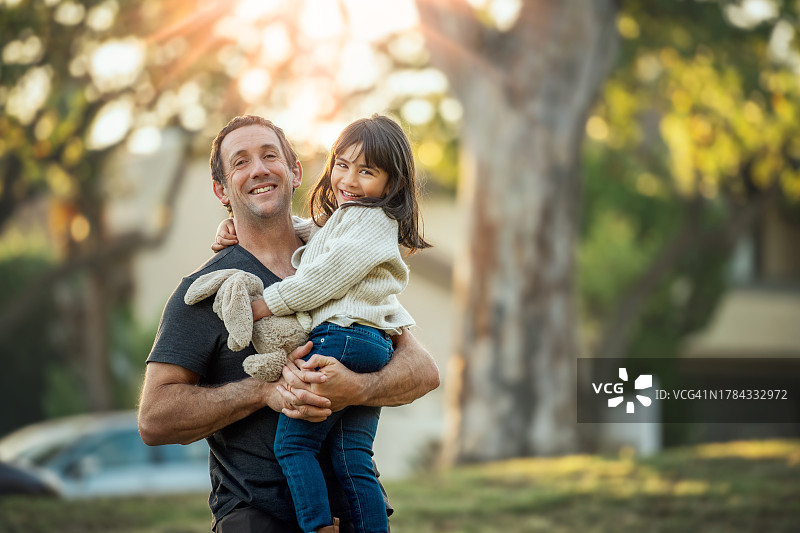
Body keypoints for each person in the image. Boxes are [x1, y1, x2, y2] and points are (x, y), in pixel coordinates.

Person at [137, 115, 440, 533]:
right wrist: (264, 391)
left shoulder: (338, 260)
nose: (259, 169)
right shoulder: (208, 291)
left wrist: (356, 388)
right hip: (257, 517)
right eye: (240, 162)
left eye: (269, 156)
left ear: (295, 171)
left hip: (355, 512)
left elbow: (423, 371)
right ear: (221, 190)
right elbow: (154, 419)